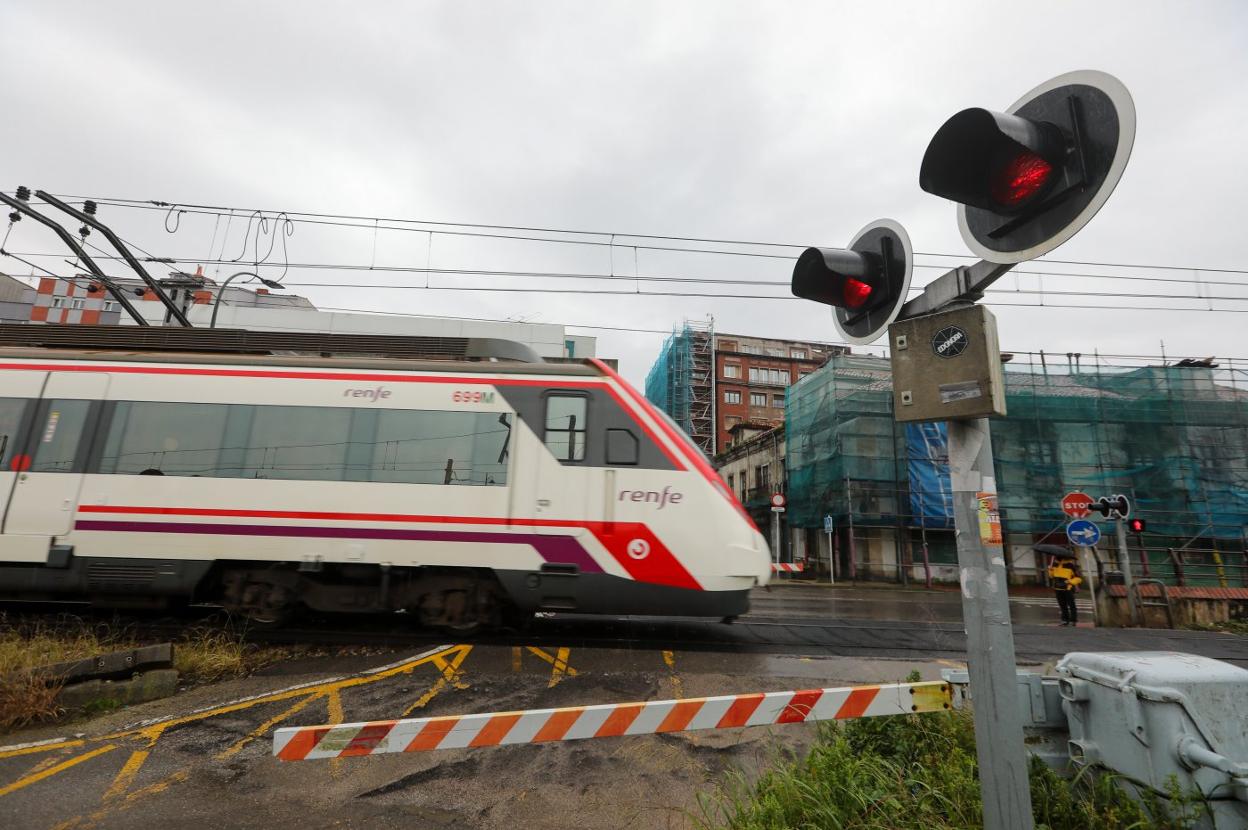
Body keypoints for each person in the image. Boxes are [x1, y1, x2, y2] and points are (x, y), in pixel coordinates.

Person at [1048, 554, 1083, 626]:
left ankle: (1073, 620)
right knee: (1062, 605)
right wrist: (1050, 570)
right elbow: (1051, 576)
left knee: (1071, 605)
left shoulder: (1070, 566)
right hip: (1057, 588)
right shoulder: (1054, 564)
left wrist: (1069, 582)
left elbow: (1078, 578)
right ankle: (1064, 620)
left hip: (1068, 588)